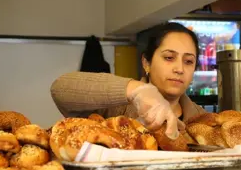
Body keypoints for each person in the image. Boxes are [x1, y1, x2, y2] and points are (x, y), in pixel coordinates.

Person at [50, 22, 206, 140]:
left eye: (188, 61)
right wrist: (138, 90)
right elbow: (60, 89)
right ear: (146, 63)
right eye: (169, 58)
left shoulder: (203, 121)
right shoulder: (116, 108)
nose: (179, 68)